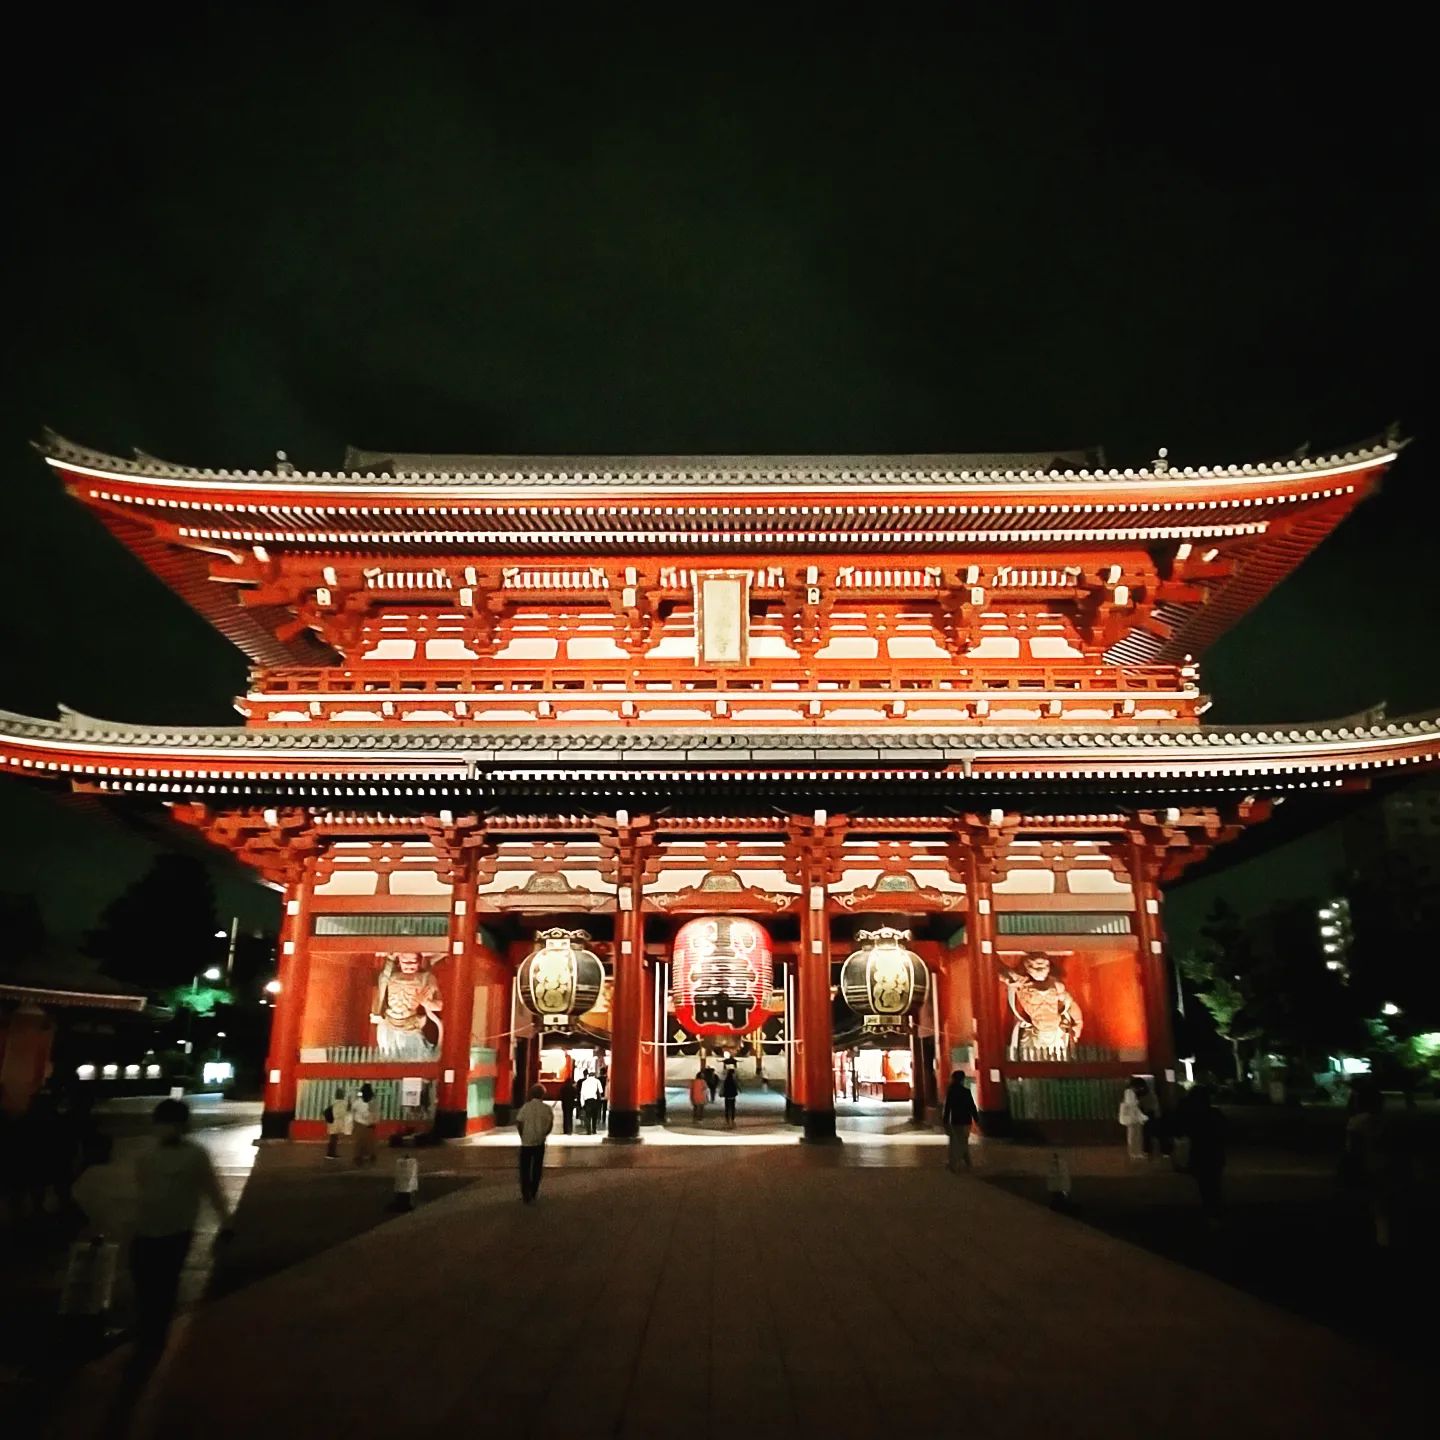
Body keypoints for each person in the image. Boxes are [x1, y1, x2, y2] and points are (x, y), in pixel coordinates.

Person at [130, 1099, 234, 1363]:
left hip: (174, 1231)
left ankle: (153, 1339)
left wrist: (226, 1221)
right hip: (148, 1230)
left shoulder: (193, 1155)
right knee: (149, 1286)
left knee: (162, 1286)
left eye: (169, 1123)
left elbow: (212, 1189)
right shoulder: (147, 1155)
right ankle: (150, 1333)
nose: (165, 1128)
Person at [1345, 1083, 1406, 1247]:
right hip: (1384, 1165)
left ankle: (1375, 1237)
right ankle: (1383, 1237)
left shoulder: (1356, 1122)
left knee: (1370, 1203)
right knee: (1382, 1204)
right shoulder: (1386, 1121)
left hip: (1366, 1165)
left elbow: (1353, 1148)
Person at [1180, 1085, 1227, 1226]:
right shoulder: (1215, 1114)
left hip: (1200, 1155)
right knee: (1214, 1185)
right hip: (1215, 1155)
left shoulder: (1192, 1115)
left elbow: (1183, 1131)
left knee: (1205, 1186)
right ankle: (1214, 1213)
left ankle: (1210, 1212)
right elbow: (1226, 1131)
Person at [514, 1084, 554, 1203]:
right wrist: (544, 1134)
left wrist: (522, 1135)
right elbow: (550, 1125)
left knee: (525, 1168)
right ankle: (533, 1191)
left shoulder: (526, 1107)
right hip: (539, 1142)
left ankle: (525, 1193)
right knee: (537, 1167)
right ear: (543, 1094)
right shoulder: (547, 1109)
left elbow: (519, 1123)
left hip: (526, 1142)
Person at [942, 1071, 978, 1172]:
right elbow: (972, 1106)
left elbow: (947, 1108)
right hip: (966, 1120)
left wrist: (945, 1121)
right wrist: (976, 1118)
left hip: (956, 1120)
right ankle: (964, 1162)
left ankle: (955, 1163)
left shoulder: (951, 1091)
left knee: (955, 1142)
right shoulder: (966, 1092)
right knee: (964, 1141)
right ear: (962, 1079)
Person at [1118, 1081, 1147, 1160]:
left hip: (1133, 1118)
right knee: (1135, 1136)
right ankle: (1135, 1152)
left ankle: (1136, 1152)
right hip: (1133, 1118)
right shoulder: (1129, 1092)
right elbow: (1132, 1105)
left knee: (1134, 1136)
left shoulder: (1129, 1092)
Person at [352, 1083, 378, 1166]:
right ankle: (370, 1155)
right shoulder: (372, 1101)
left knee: (359, 1141)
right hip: (369, 1123)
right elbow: (375, 1112)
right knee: (370, 1140)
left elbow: (353, 1107)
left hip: (359, 1123)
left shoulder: (358, 1101)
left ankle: (358, 1157)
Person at [324, 1087, 352, 1160]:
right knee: (334, 1138)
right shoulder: (343, 1103)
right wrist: (349, 1102)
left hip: (332, 1122)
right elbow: (347, 1111)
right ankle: (331, 1154)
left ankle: (331, 1153)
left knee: (333, 1138)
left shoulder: (334, 1102)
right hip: (336, 1123)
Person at [580, 1071, 603, 1135]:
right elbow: (601, 1091)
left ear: (588, 1076)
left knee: (588, 1116)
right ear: (594, 1075)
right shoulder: (597, 1081)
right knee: (594, 1116)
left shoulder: (584, 1082)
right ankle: (594, 1130)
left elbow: (582, 1093)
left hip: (587, 1101)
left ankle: (588, 1131)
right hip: (594, 1101)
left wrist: (582, 1103)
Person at [597, 1061, 609, 1125]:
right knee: (604, 1108)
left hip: (599, 1095)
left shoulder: (598, 1079)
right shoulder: (607, 1079)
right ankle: (603, 1120)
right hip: (605, 1095)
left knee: (599, 1108)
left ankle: (598, 1119)